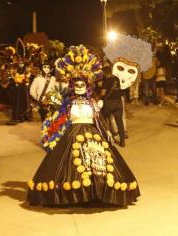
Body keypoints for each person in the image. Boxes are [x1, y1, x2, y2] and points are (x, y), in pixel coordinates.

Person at [27, 45, 140, 206]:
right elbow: (58, 118)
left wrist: (107, 131)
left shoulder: (92, 102)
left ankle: (96, 193)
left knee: (98, 164)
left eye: (82, 85)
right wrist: (52, 107)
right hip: (71, 135)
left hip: (93, 134)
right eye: (77, 85)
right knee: (68, 167)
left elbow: (98, 119)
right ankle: (72, 195)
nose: (80, 88)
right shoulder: (68, 103)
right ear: (73, 86)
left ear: (86, 87)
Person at [101, 33, 152, 146]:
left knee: (105, 119)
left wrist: (101, 97)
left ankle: (110, 137)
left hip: (109, 103)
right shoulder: (118, 78)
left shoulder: (106, 81)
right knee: (120, 120)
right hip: (119, 101)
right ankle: (123, 139)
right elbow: (125, 87)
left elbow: (103, 93)